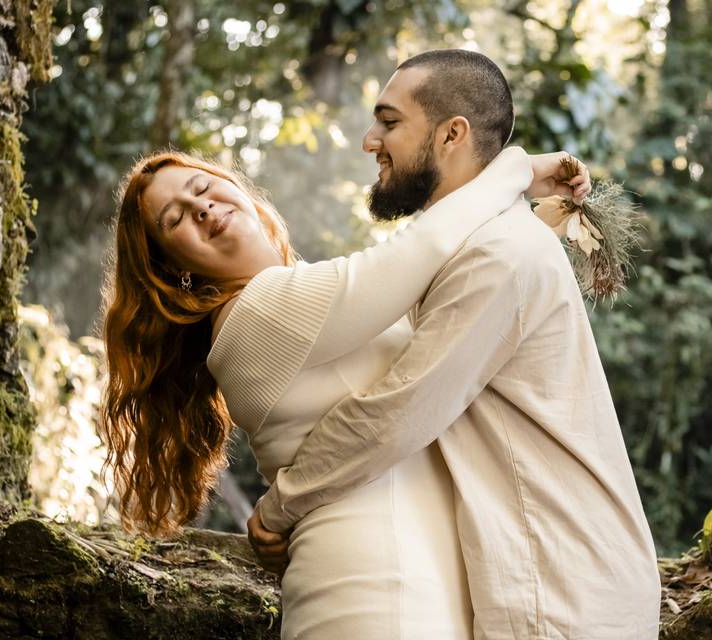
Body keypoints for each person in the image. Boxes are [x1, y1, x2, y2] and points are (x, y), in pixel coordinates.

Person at [100, 89, 589, 638]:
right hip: (370, 592)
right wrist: (514, 171)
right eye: (176, 219)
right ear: (177, 270)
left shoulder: (310, 301)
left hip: (415, 586)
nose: (202, 208)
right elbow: (420, 252)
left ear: (236, 188)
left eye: (203, 187)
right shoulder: (255, 314)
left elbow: (452, 305)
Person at [248, 49, 661, 639]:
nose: (371, 140)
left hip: (564, 589)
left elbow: (396, 412)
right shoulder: (487, 243)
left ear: (452, 134)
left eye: (390, 122)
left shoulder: (498, 256)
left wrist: (279, 505)